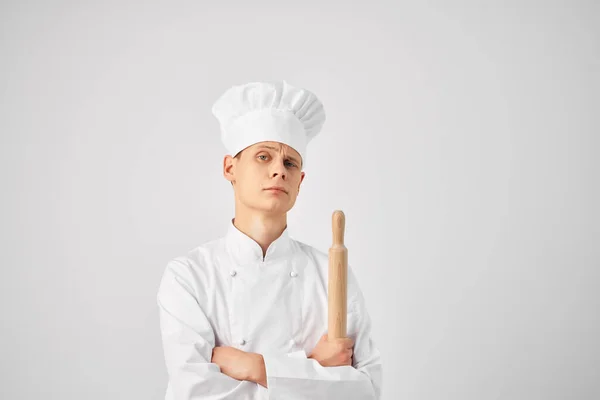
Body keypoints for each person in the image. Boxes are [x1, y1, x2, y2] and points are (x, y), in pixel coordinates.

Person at [156, 80, 383, 399]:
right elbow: (195, 392)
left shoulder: (331, 274)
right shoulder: (189, 276)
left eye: (290, 162)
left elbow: (366, 391)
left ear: (300, 180)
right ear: (229, 167)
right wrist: (312, 369)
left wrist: (254, 367)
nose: (279, 170)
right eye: (264, 157)